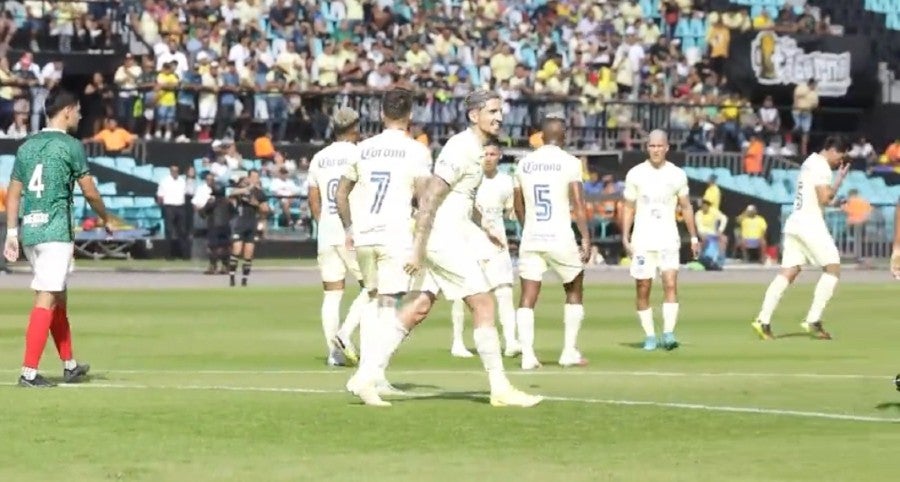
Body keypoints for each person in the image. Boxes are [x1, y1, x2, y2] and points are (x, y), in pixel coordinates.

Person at [347, 89, 543, 408]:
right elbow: (431, 197)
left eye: (500, 111)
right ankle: (500, 387)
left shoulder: (475, 148)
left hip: (448, 235)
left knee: (419, 306)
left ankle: (366, 376)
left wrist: (476, 232)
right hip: (442, 238)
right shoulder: (462, 148)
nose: (499, 117)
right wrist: (419, 248)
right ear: (473, 115)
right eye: (492, 111)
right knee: (483, 303)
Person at [3, 88, 111, 387]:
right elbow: (89, 190)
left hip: (32, 231)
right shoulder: (70, 145)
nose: (80, 115)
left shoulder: (27, 146)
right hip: (55, 231)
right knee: (47, 297)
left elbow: (13, 192)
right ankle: (28, 372)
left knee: (58, 294)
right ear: (66, 111)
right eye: (77, 110)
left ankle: (70, 364)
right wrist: (106, 217)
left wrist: (12, 233)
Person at [336, 88, 431, 396]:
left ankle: (373, 373)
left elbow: (340, 192)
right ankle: (370, 375)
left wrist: (350, 227)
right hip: (394, 235)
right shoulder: (416, 150)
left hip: (364, 234)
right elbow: (424, 197)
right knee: (389, 306)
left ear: (381, 114)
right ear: (411, 116)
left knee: (375, 298)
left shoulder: (361, 148)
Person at [751, 136, 850, 340]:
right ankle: (813, 320)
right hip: (810, 224)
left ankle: (763, 320)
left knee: (789, 271)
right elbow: (824, 197)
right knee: (833, 268)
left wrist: (836, 197)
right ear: (832, 150)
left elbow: (819, 199)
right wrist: (839, 181)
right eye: (841, 156)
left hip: (795, 221)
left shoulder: (809, 162)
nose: (840, 161)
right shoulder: (822, 166)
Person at [512, 113, 590, 370]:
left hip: (532, 237)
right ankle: (568, 351)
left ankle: (527, 355)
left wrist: (528, 229)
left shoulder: (524, 164)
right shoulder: (570, 162)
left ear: (542, 136)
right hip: (560, 237)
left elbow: (518, 204)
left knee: (527, 295)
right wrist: (586, 238)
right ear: (563, 136)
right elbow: (578, 204)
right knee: (574, 288)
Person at [621, 129, 700, 351]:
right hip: (643, 239)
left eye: (659, 146)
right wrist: (625, 236)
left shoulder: (676, 174)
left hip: (668, 238)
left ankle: (668, 333)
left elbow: (686, 206)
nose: (656, 150)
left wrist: (693, 236)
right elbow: (628, 207)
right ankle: (649, 335)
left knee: (670, 283)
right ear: (647, 148)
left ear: (667, 147)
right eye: (652, 146)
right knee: (643, 287)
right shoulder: (635, 174)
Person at [308, 107, 370, 366]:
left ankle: (334, 354)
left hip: (326, 229)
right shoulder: (361, 154)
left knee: (332, 293)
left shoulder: (319, 157)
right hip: (352, 229)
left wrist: (323, 224)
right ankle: (346, 334)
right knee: (373, 287)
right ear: (355, 127)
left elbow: (313, 199)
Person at [449, 139, 520, 359]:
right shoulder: (469, 179)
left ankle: (510, 341)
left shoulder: (507, 182)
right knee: (462, 293)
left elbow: (511, 211)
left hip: (497, 243)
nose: (488, 158)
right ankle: (458, 342)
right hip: (469, 240)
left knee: (504, 291)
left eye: (492, 154)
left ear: (499, 156)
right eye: (485, 154)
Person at [228, 170, 269, 287]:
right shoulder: (243, 190)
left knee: (248, 253)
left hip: (252, 224)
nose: (256, 179)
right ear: (249, 178)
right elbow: (231, 193)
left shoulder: (260, 193)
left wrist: (256, 204)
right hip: (240, 223)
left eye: (257, 177)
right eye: (254, 177)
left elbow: (266, 209)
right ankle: (231, 277)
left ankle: (244, 281)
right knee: (236, 250)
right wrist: (247, 189)